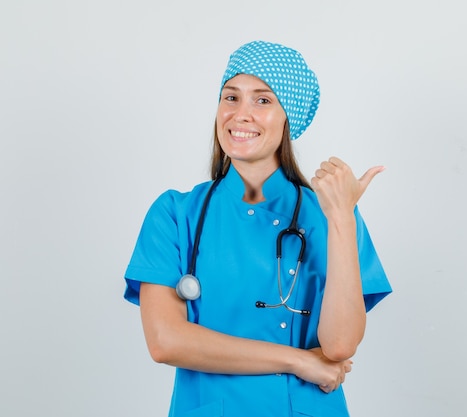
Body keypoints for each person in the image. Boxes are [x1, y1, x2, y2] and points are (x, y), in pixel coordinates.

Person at [123, 40, 392, 417]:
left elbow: (340, 345)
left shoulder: (330, 214)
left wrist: (343, 218)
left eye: (263, 100)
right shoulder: (174, 214)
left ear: (289, 116)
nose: (240, 114)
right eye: (230, 97)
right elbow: (165, 341)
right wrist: (298, 361)